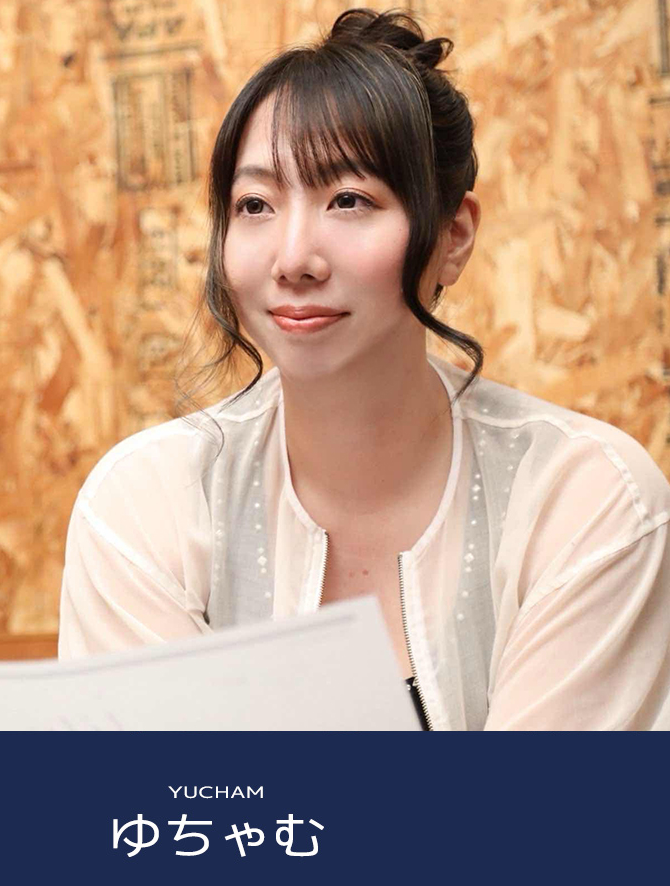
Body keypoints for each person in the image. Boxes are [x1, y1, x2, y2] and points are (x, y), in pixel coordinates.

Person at [58, 8, 670, 730]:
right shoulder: (148, 506)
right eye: (254, 205)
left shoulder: (584, 501)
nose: (293, 259)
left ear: (453, 235)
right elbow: (158, 798)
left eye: (348, 200)